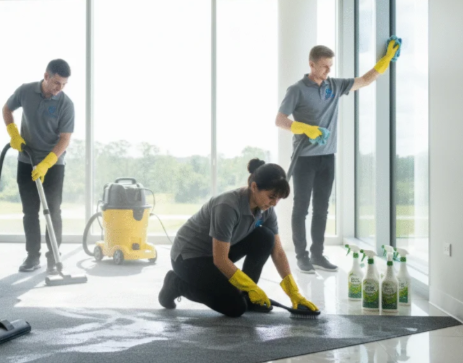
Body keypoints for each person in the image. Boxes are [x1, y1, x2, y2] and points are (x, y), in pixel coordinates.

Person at [275, 41, 400, 274]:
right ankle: (301, 257)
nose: (328, 71)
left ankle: (317, 255)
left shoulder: (335, 85)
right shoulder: (297, 90)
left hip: (327, 158)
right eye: (324, 66)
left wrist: (385, 60)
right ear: (311, 65)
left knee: (322, 208)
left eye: (330, 66)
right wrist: (305, 128)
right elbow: (280, 120)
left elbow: (364, 80)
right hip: (304, 159)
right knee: (301, 208)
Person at [158, 159, 318, 317]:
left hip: (217, 253)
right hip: (189, 259)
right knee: (235, 307)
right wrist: (250, 287)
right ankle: (176, 284)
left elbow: (278, 252)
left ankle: (248, 297)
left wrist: (294, 293)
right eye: (271, 196)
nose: (274, 203)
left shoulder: (266, 209)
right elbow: (220, 260)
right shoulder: (228, 206)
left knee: (265, 237)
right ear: (254, 187)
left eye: (278, 198)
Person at [2, 59, 75, 274]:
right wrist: (13, 134)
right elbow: (7, 109)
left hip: (53, 164)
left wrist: (47, 163)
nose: (59, 88)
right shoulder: (25, 91)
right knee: (30, 212)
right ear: (46, 76)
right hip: (27, 161)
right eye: (56, 83)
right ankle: (32, 257)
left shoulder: (66, 104)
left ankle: (54, 258)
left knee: (53, 211)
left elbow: (65, 139)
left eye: (63, 85)